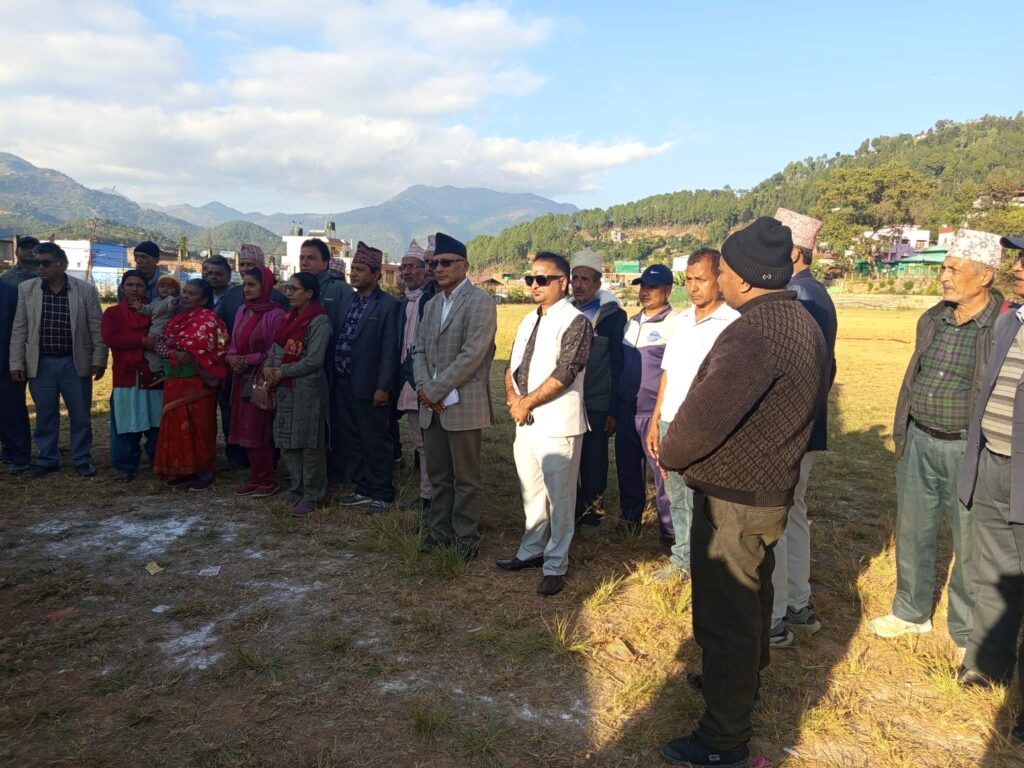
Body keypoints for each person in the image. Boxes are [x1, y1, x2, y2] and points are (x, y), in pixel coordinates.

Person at [658, 217, 827, 767]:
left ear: (747, 278)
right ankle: (740, 685)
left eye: (725, 270)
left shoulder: (755, 332)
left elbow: (704, 416)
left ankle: (722, 740)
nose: (720, 278)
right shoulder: (800, 321)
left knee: (725, 617)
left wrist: (671, 451)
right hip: (768, 489)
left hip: (734, 498)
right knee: (752, 599)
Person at [870, 229, 1003, 653]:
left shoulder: (1002, 326)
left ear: (984, 276)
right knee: (913, 529)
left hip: (969, 449)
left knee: (970, 542)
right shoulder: (933, 318)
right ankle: (911, 612)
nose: (944, 276)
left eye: (954, 269)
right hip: (920, 440)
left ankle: (966, 632)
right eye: (944, 268)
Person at [956, 234, 1024, 742]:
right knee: (993, 571)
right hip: (993, 462)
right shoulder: (1011, 321)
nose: (1018, 267)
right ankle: (986, 663)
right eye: (1019, 257)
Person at [498, 252, 592, 596]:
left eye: (542, 279)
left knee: (560, 498)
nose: (534, 285)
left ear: (562, 282)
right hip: (526, 421)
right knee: (531, 491)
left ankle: (555, 565)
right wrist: (513, 397)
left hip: (557, 424)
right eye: (530, 279)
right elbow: (511, 364)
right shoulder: (528, 319)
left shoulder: (576, 321)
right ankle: (531, 550)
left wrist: (525, 402)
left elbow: (566, 372)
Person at [768, 207, 838, 647]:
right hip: (805, 427)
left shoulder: (799, 296)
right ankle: (797, 603)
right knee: (793, 515)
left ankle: (774, 616)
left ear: (794, 252)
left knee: (775, 517)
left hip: (790, 431)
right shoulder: (813, 291)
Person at [647, 251, 739, 582]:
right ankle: (683, 558)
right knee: (676, 494)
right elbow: (667, 373)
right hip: (671, 421)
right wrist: (656, 420)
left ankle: (709, 562)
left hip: (706, 425)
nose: (693, 287)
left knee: (707, 499)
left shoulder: (733, 323)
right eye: (688, 279)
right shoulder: (682, 321)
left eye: (701, 279)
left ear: (719, 279)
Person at [412, 232, 497, 559]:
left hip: (462, 404)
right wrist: (423, 388)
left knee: (466, 477)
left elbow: (472, 355)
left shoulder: (480, 302)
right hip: (431, 405)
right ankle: (439, 532)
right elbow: (419, 350)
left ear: (465, 266)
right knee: (438, 475)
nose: (438, 269)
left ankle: (465, 538)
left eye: (446, 263)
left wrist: (434, 390)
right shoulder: (433, 304)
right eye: (434, 264)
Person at [9, 242, 107, 478]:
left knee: (80, 415)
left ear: (62, 265)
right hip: (41, 363)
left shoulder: (85, 290)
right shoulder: (27, 289)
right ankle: (47, 458)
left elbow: (97, 328)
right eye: (37, 264)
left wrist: (99, 359)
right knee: (45, 415)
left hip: (75, 361)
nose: (40, 268)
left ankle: (82, 458)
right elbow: (20, 329)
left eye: (45, 263)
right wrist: (16, 363)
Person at [333, 242, 400, 513]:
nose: (354, 274)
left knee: (375, 440)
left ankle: (382, 492)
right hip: (343, 381)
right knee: (352, 437)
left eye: (360, 269)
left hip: (370, 385)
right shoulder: (347, 301)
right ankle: (362, 487)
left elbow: (389, 350)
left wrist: (383, 386)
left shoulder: (388, 305)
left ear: (376, 275)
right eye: (353, 269)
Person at [615, 263, 677, 542]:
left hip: (654, 415)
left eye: (653, 287)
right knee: (628, 470)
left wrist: (660, 414)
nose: (645, 292)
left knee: (662, 475)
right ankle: (630, 523)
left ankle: (670, 531)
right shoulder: (631, 323)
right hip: (627, 412)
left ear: (668, 290)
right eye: (643, 286)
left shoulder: (675, 324)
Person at [568, 248, 626, 535]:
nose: (579, 284)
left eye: (585, 280)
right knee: (568, 458)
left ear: (597, 284)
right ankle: (569, 510)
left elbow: (618, 364)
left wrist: (613, 409)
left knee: (593, 460)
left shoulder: (613, 316)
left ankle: (591, 515)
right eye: (575, 278)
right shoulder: (564, 312)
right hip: (567, 400)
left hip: (597, 401)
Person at [152, 278, 229, 491]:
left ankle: (204, 471)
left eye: (191, 293)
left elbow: (216, 348)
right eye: (184, 292)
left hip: (199, 382)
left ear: (203, 299)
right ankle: (182, 470)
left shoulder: (211, 319)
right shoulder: (177, 318)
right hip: (175, 381)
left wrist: (184, 348)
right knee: (176, 424)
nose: (185, 296)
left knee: (200, 426)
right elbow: (159, 344)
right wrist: (174, 352)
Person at [265, 272, 332, 517]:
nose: (289, 293)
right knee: (287, 441)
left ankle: (313, 494)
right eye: (287, 288)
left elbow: (314, 360)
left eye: (294, 289)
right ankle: (297, 488)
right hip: (284, 388)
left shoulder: (319, 321)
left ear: (309, 293)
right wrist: (269, 367)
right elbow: (275, 347)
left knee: (309, 443)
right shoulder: (289, 317)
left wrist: (281, 371)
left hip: (307, 390)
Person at [226, 266, 287, 497]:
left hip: (262, 379)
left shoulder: (275, 314)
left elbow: (276, 350)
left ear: (265, 286)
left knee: (259, 428)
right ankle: (255, 476)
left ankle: (267, 478)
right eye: (244, 284)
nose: (246, 289)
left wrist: (248, 359)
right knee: (245, 426)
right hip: (241, 377)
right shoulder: (243, 310)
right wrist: (232, 358)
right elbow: (233, 342)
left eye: (252, 284)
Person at [298, 238, 354, 487]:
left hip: (332, 368)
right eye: (302, 257)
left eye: (311, 258)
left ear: (325, 262)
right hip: (301, 370)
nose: (305, 262)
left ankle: (337, 471)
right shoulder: (297, 288)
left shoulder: (339, 290)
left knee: (334, 421)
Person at [101, 270, 162, 482]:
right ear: (122, 287)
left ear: (146, 289)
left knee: (157, 420)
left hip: (152, 372)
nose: (134, 289)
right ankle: (125, 465)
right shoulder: (113, 313)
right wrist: (142, 341)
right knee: (125, 420)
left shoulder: (155, 311)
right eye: (130, 285)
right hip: (126, 374)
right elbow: (112, 338)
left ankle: (159, 460)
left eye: (139, 285)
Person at [397, 238, 435, 515]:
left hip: (429, 380)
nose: (407, 272)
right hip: (408, 378)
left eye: (413, 266)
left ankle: (433, 496)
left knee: (431, 443)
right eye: (404, 267)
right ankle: (426, 495)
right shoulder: (403, 303)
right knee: (420, 442)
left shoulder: (431, 301)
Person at [0, 235, 38, 471]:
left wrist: (16, 361)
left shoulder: (9, 292)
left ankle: (19, 455)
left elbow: (18, 330)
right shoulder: (9, 281)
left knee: (12, 409)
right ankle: (8, 449)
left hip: (6, 362)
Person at [217, 244, 289, 336]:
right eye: (242, 264)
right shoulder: (231, 294)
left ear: (261, 267)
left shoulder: (278, 298)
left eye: (250, 264)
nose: (245, 269)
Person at [133, 274, 180, 386]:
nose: (165, 289)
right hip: (154, 331)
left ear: (176, 291)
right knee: (151, 353)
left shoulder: (170, 299)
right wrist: (140, 307)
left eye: (170, 287)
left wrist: (173, 303)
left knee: (158, 351)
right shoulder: (155, 301)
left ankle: (163, 370)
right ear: (157, 288)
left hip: (162, 332)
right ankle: (159, 371)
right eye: (162, 286)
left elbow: (171, 306)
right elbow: (149, 310)